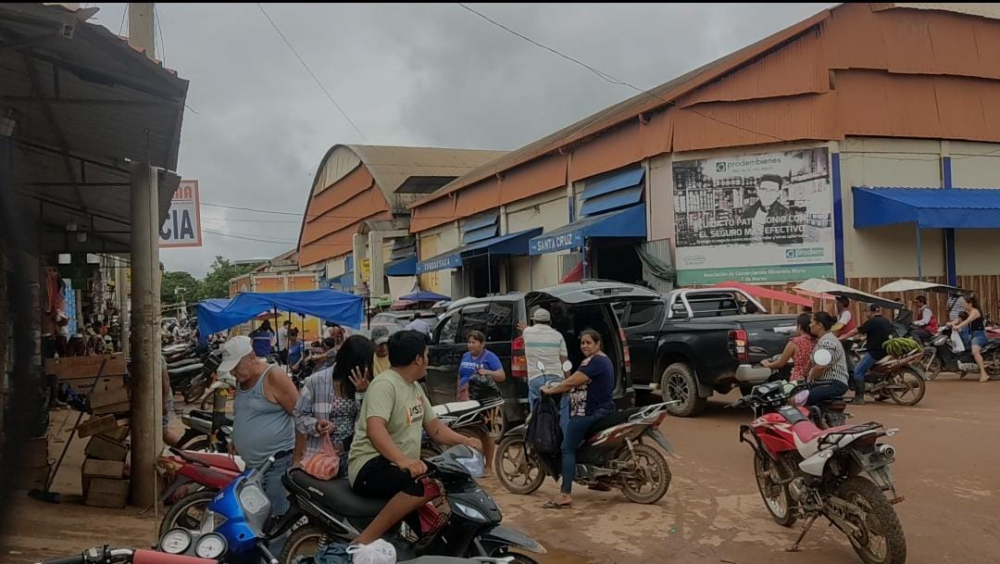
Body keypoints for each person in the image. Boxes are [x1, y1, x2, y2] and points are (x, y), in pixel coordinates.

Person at [349, 330, 482, 547]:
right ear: (418, 358)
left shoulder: (414, 387)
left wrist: (464, 441)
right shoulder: (385, 385)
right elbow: (375, 430)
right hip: (369, 465)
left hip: (401, 467)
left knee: (445, 484)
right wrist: (403, 460)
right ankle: (362, 542)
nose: (427, 361)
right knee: (423, 485)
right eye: (426, 356)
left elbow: (435, 429)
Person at [221, 335, 300, 516]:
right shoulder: (242, 381)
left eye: (236, 367)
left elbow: (300, 415)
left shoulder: (273, 376)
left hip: (278, 462)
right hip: (254, 466)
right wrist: (235, 437)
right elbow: (243, 412)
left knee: (276, 515)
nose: (233, 373)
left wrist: (298, 458)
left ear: (251, 358)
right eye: (231, 369)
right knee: (257, 515)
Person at [540, 329, 615, 509]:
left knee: (567, 448)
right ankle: (599, 481)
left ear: (598, 344)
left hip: (587, 412)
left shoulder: (593, 361)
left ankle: (565, 494)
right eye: (582, 343)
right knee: (587, 445)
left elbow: (571, 382)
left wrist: (550, 390)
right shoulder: (605, 359)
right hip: (603, 409)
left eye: (589, 342)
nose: (585, 346)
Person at [294, 335, 373, 476]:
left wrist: (362, 393)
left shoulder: (367, 385)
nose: (365, 368)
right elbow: (299, 416)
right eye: (362, 364)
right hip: (320, 458)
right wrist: (316, 425)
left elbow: (368, 423)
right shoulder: (316, 381)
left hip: (353, 457)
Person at [457, 330, 505, 478]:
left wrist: (487, 372)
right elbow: (460, 375)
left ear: (482, 344)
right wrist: (458, 392)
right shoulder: (465, 356)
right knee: (471, 431)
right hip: (467, 397)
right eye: (469, 342)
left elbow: (501, 376)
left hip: (484, 400)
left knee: (487, 432)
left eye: (474, 342)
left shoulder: (490, 357)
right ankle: (474, 463)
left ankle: (488, 466)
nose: (470, 345)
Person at [518, 308, 570, 413]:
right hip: (556, 378)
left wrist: (526, 328)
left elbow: (527, 329)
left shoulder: (527, 332)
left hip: (536, 379)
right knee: (558, 410)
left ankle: (537, 427)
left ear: (534, 321)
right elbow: (564, 361)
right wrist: (568, 381)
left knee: (537, 412)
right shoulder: (558, 336)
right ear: (550, 322)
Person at [840, 305, 892, 404]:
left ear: (870, 312)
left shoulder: (872, 322)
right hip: (884, 351)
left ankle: (859, 398)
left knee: (857, 372)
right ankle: (883, 393)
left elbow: (856, 331)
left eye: (866, 312)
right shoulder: (885, 320)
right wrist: (863, 338)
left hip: (875, 352)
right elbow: (878, 334)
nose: (866, 314)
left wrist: (842, 337)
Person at [805, 312, 851, 405]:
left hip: (832, 384)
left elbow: (821, 366)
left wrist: (809, 378)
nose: (810, 325)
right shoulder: (825, 340)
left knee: (800, 399)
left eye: (812, 322)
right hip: (827, 384)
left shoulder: (827, 342)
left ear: (819, 325)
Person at [948, 296, 991, 382]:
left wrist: (957, 326)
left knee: (975, 351)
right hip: (972, 335)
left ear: (970, 304)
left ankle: (983, 374)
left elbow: (967, 321)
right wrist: (950, 323)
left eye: (964, 303)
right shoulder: (968, 311)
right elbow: (960, 319)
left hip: (980, 336)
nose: (962, 305)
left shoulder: (975, 312)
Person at [762, 313, 815, 382]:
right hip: (814, 377)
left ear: (800, 326)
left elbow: (780, 363)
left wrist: (767, 364)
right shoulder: (817, 341)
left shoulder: (795, 342)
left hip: (798, 379)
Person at [741, 174, 793, 244]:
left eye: (772, 190)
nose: (767, 194)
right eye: (764, 189)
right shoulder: (748, 212)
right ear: (758, 191)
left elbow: (795, 243)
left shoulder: (787, 214)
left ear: (779, 193)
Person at [162, 355, 180, 447]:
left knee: (164, 433)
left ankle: (186, 452)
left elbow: (165, 381)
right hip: (161, 399)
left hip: (162, 399)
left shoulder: (157, 358)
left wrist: (163, 403)